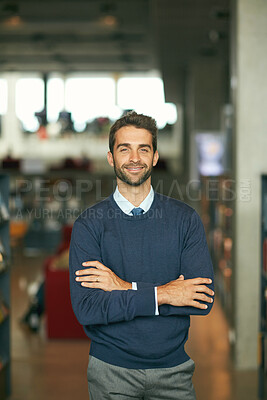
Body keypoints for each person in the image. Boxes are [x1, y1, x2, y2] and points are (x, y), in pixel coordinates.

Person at [69, 111, 214, 400]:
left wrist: (123, 288)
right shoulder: (89, 225)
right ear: (111, 158)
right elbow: (88, 309)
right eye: (125, 149)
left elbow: (201, 300)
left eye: (143, 149)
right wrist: (167, 293)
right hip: (110, 370)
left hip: (174, 370)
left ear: (155, 157)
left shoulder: (185, 220)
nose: (134, 158)